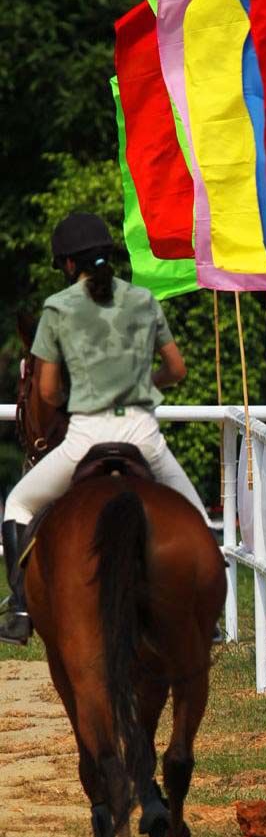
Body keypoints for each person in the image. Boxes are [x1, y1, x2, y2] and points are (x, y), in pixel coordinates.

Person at [0, 212, 211, 645]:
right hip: (143, 437)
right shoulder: (143, 300)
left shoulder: (58, 308)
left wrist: (73, 399)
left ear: (69, 265)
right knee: (198, 521)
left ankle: (20, 610)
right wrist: (139, 385)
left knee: (18, 505)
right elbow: (176, 369)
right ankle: (208, 615)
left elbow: (47, 389)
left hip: (85, 438)